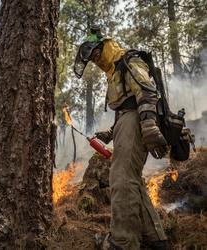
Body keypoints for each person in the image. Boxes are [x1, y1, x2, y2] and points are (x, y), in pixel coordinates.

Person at [74, 28, 169, 250]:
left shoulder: (128, 60)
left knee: (121, 178)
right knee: (131, 179)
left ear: (105, 46)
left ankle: (122, 242)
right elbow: (125, 108)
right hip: (128, 121)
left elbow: (146, 91)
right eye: (92, 60)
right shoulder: (114, 71)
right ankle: (155, 238)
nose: (96, 61)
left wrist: (148, 124)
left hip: (138, 120)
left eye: (97, 55)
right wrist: (110, 132)